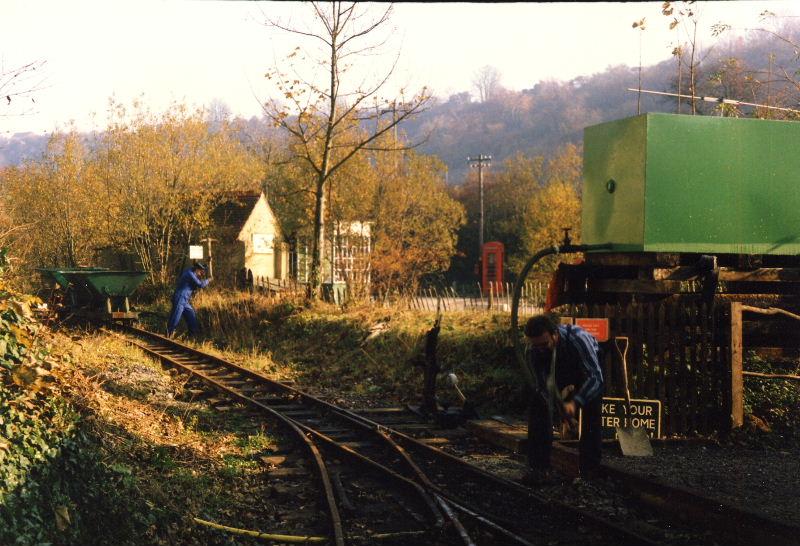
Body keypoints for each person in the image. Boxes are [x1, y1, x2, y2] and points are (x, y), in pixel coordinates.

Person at [523, 314, 604, 480]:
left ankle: (590, 471)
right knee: (538, 406)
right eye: (536, 345)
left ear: (555, 334)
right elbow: (542, 386)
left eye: (544, 344)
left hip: (584, 371)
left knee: (591, 409)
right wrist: (560, 410)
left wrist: (575, 403)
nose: (540, 349)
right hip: (559, 372)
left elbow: (595, 377)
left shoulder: (578, 338)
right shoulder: (533, 350)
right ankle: (539, 468)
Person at [166, 261, 211, 338]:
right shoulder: (190, 274)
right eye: (200, 271)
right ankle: (169, 334)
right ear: (197, 269)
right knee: (176, 316)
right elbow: (200, 285)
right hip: (180, 298)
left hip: (185, 300)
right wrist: (209, 280)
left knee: (191, 314)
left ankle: (193, 334)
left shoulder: (192, 271)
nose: (201, 273)